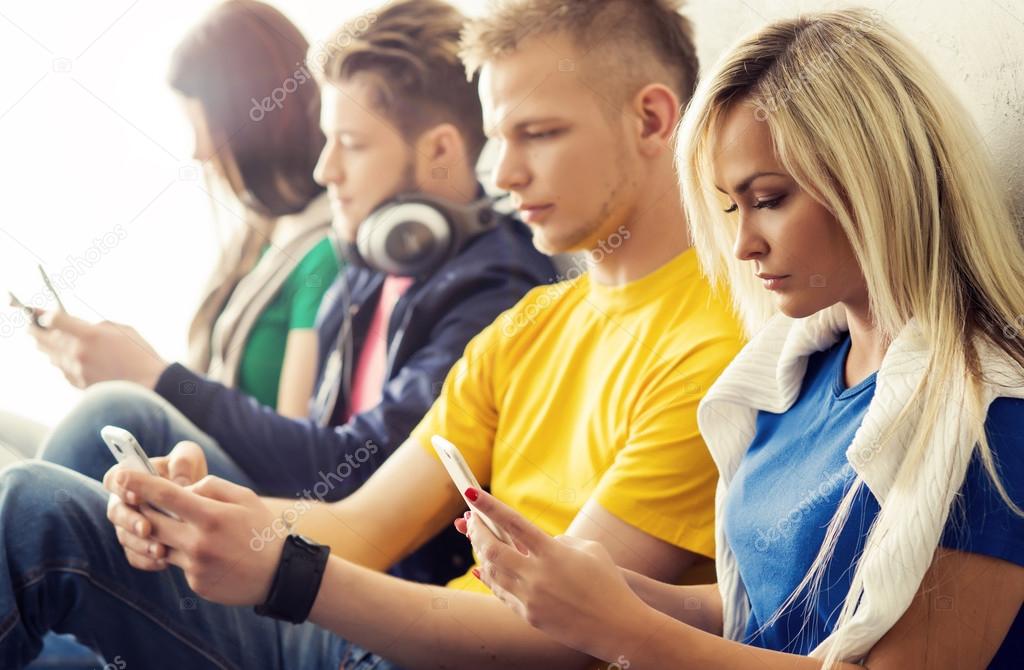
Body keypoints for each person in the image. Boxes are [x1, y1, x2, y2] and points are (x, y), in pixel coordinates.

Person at [0, 1, 748, 668]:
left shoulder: (713, 348)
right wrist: (212, 512)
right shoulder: (530, 325)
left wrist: (287, 572)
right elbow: (363, 525)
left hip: (431, 648)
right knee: (40, 505)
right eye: (499, 138)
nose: (506, 173)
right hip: (378, 634)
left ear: (653, 120)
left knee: (31, 511)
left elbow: (566, 634)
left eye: (540, 134)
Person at [456, 8, 1024, 669]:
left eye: (770, 198)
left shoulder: (991, 418)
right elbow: (768, 616)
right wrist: (599, 591)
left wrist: (622, 631)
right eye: (730, 205)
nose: (743, 244)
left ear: (873, 179)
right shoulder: (800, 371)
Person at [38, 0, 553, 586]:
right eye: (327, 140)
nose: (324, 170)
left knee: (90, 444)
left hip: (375, 592)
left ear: (438, 151)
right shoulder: (367, 265)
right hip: (308, 536)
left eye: (352, 145)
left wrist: (161, 379)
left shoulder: (497, 292)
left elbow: (354, 473)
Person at [26, 0, 340, 421]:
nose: (198, 151)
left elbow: (296, 449)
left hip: (244, 482)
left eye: (202, 124)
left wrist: (150, 378)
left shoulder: (322, 255)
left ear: (256, 120)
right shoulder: (261, 234)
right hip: (200, 457)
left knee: (100, 415)